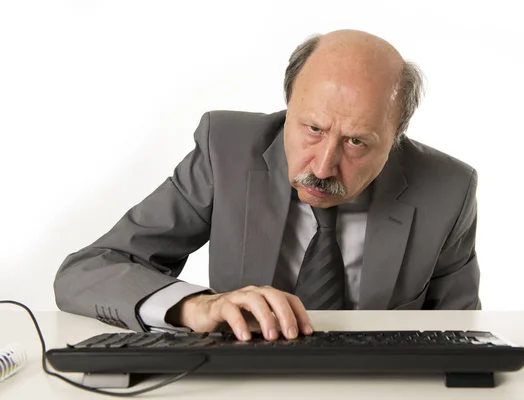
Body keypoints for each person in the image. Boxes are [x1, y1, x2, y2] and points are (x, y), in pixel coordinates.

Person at [53, 29, 481, 342]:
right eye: (312, 127)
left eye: (356, 142)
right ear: (287, 105)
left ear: (396, 139)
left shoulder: (448, 190)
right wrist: (195, 306)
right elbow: (87, 271)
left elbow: (463, 342)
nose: (324, 165)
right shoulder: (226, 151)